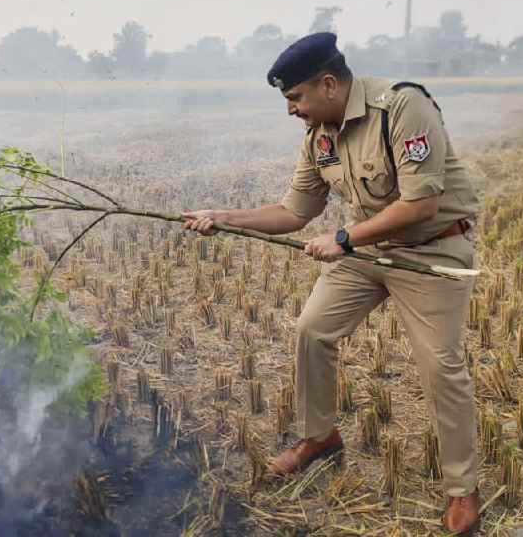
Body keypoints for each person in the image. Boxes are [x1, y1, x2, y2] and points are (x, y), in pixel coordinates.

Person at [183, 32, 481, 534]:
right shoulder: (320, 135)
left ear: (327, 83)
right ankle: (319, 437)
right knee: (312, 329)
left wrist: (344, 237)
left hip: (432, 251)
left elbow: (422, 203)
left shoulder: (402, 107)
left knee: (441, 367)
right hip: (367, 251)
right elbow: (293, 212)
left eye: (295, 98)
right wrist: (224, 216)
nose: (291, 110)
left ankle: (462, 488)